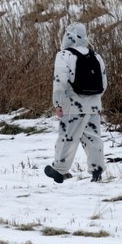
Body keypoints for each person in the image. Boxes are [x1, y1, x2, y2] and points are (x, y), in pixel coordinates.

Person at [44, 22, 107, 183]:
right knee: (93, 138)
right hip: (93, 105)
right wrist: (94, 99)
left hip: (72, 105)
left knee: (67, 137)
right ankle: (97, 170)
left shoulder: (64, 55)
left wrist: (58, 103)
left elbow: (60, 82)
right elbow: (103, 83)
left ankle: (59, 170)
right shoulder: (95, 56)